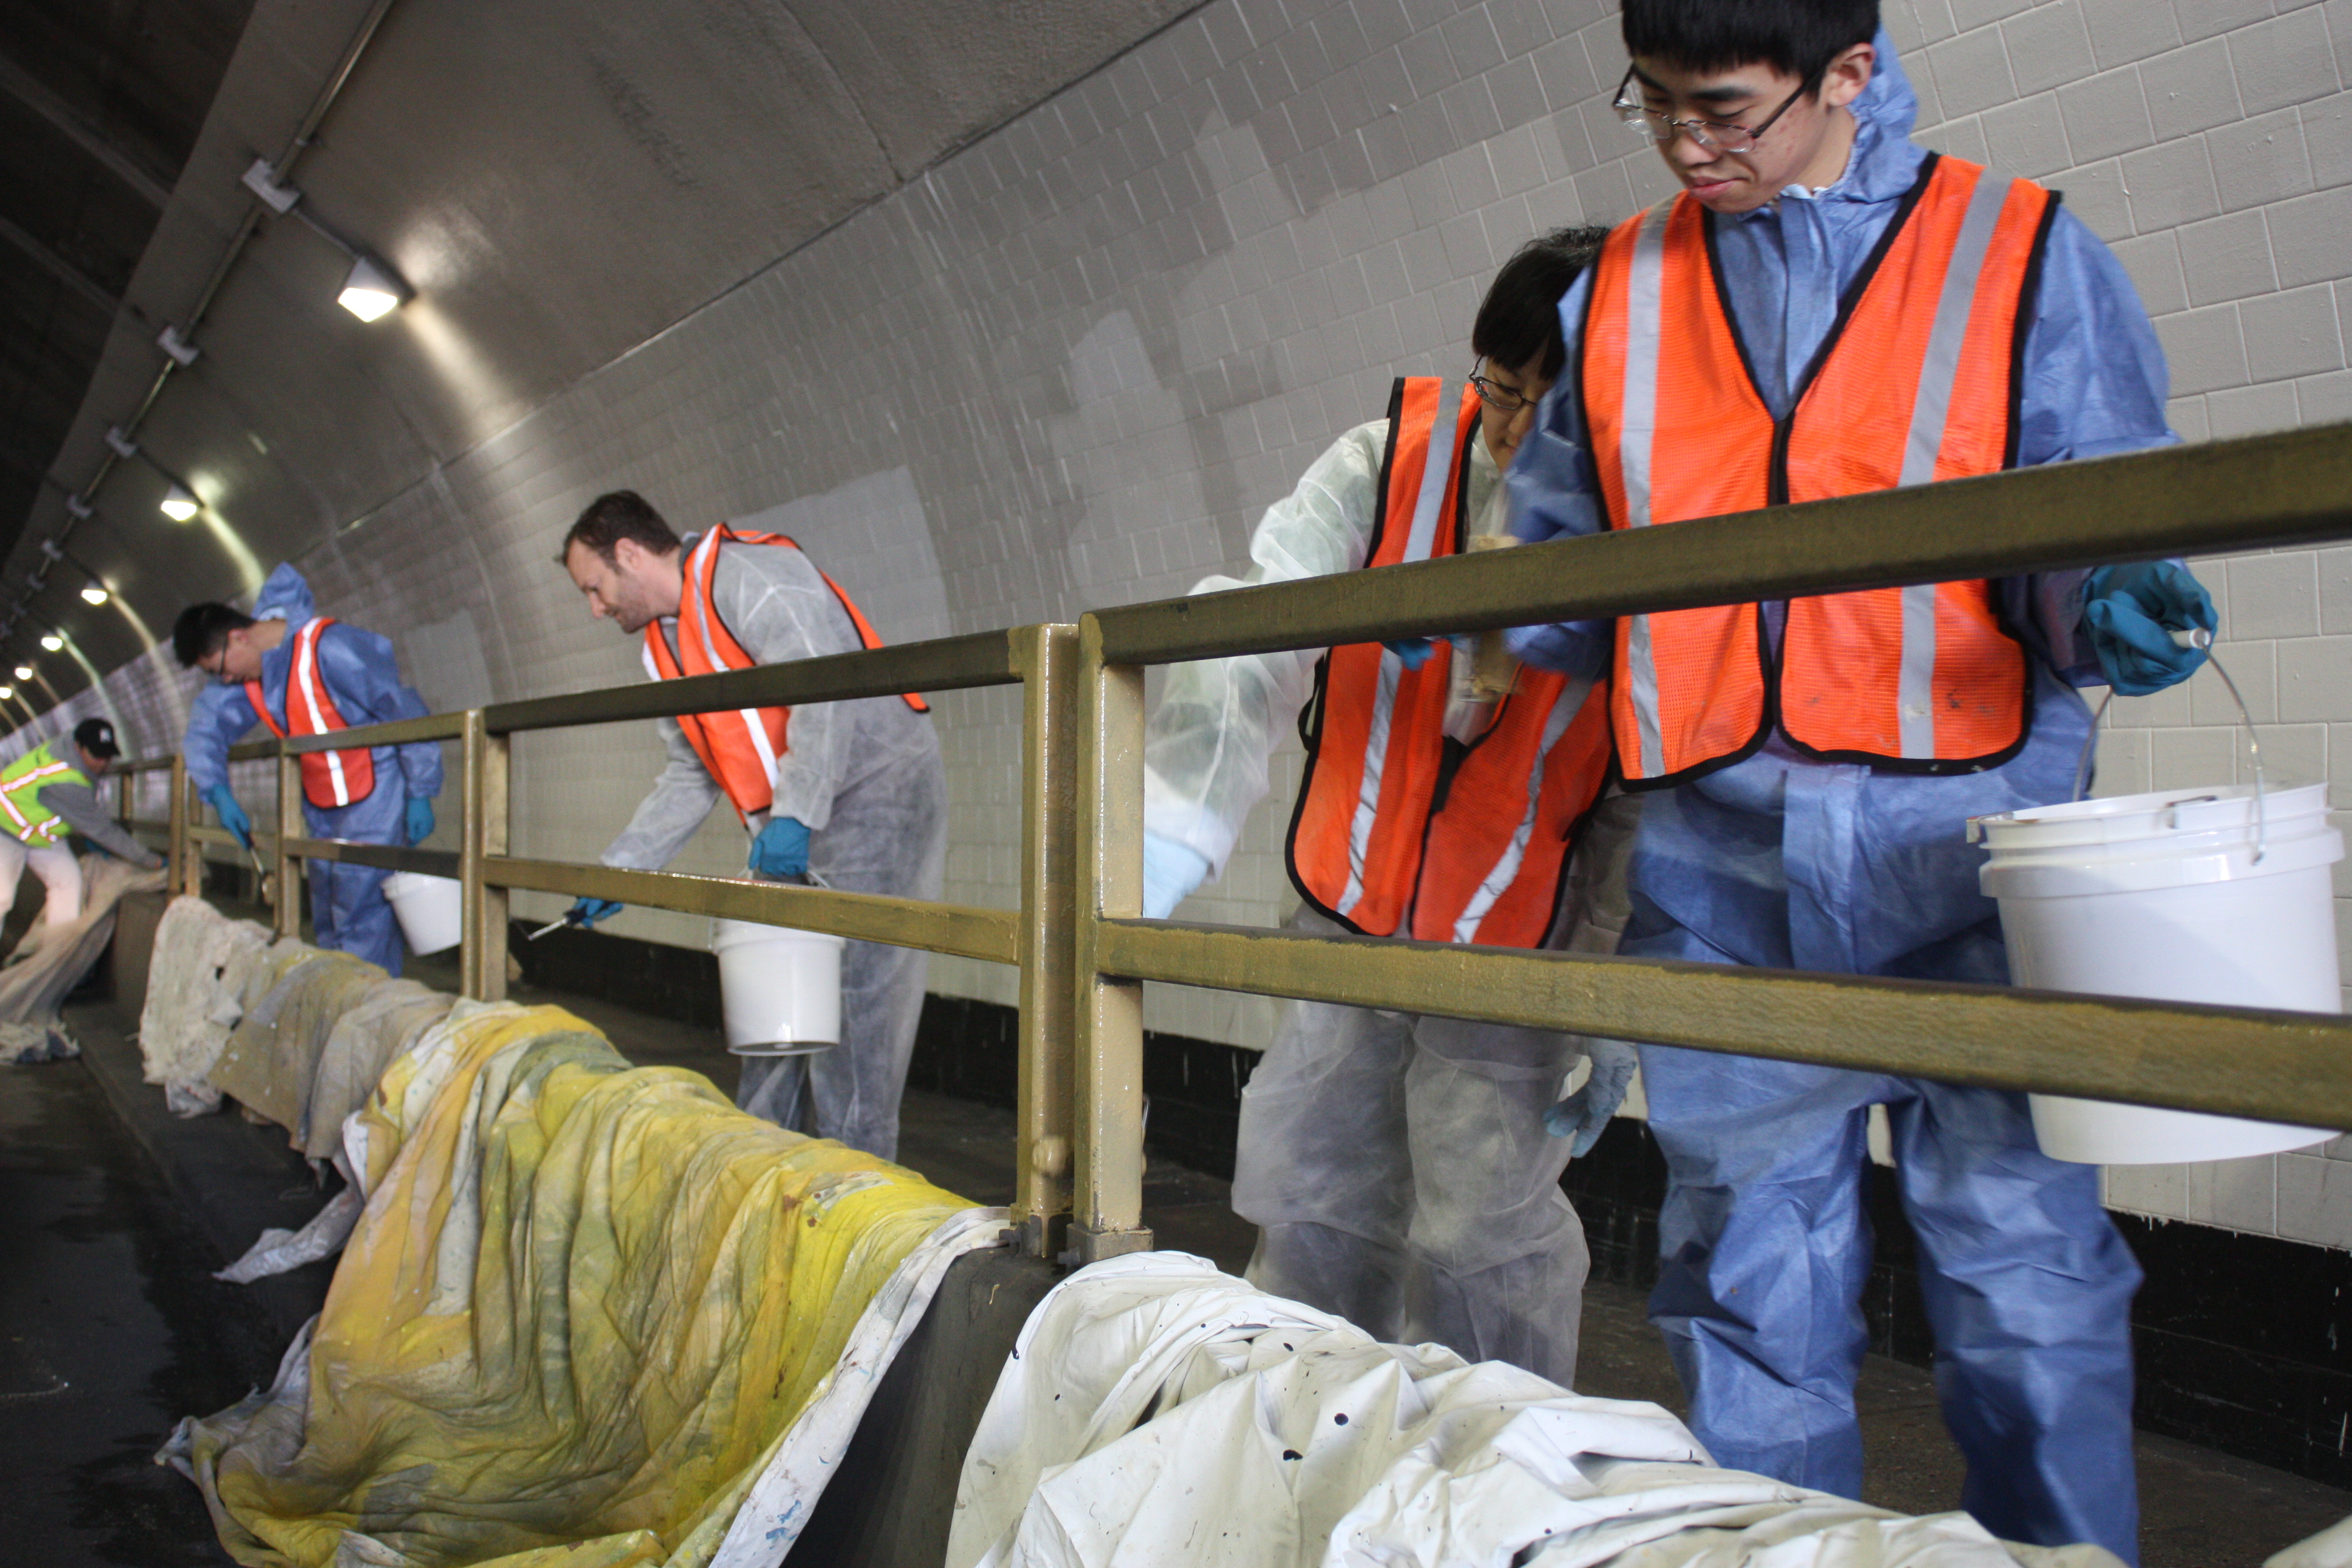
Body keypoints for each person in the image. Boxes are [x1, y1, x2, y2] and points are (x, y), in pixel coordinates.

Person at [1503, 6, 2211, 1561]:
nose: (1691, 146)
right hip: (1722, 867)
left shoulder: (2014, 251)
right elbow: (1559, 543)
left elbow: (2094, 495)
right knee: (1746, 1286)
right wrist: (1524, 608)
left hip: (1971, 859)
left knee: (2026, 1291)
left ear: (1850, 76)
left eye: (1728, 111)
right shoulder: (1619, 287)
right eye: (1660, 107)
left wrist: (2103, 594)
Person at [1136, 228, 1637, 1388]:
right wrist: (1180, 817)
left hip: (1510, 947)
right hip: (1348, 907)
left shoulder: (1650, 530)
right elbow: (1259, 620)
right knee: (1315, 1196)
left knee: (1477, 1237)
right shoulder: (1387, 466)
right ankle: (1299, 1436)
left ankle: (1480, 1471)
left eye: (1544, 405)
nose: (1509, 429)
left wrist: (1617, 987)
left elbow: (1639, 793)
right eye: (1497, 390)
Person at [558, 492, 946, 1162]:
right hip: (797, 820)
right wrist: (622, 867)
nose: (595, 608)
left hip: (876, 791)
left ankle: (856, 1190)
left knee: (854, 1013)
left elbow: (826, 689)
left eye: (595, 588)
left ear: (627, 554)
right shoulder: (665, 643)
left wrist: (793, 816)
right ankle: (758, 1176)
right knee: (776, 1014)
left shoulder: (750, 578)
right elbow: (690, 771)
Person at [176, 564, 443, 976]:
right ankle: (337, 1007)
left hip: (376, 797)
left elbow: (401, 708)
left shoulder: (329, 645)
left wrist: (420, 790)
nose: (225, 679)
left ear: (238, 636)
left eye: (220, 668)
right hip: (322, 806)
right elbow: (206, 729)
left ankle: (364, 1016)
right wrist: (217, 791)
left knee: (362, 915)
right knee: (328, 918)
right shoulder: (252, 679)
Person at [0, 717, 163, 941]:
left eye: (107, 756)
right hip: (6, 828)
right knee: (2, 896)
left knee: (68, 882)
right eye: (96, 756)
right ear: (78, 747)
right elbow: (102, 829)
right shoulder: (66, 778)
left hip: (39, 835)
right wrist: (149, 860)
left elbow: (73, 813)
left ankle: (55, 955)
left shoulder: (68, 753)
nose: (102, 763)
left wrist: (84, 829)